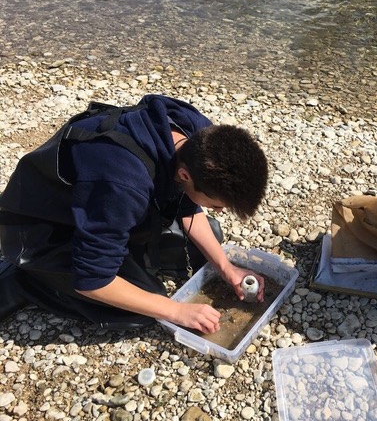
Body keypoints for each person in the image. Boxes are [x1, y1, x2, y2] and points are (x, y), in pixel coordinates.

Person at [0, 94, 269, 334]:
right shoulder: (122, 184)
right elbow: (92, 280)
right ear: (185, 175)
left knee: (210, 240)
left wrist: (226, 267)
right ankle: (29, 281)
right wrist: (175, 311)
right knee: (143, 310)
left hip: (97, 207)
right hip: (40, 231)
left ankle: (117, 249)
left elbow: (186, 204)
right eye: (217, 206)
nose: (218, 211)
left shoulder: (197, 134)